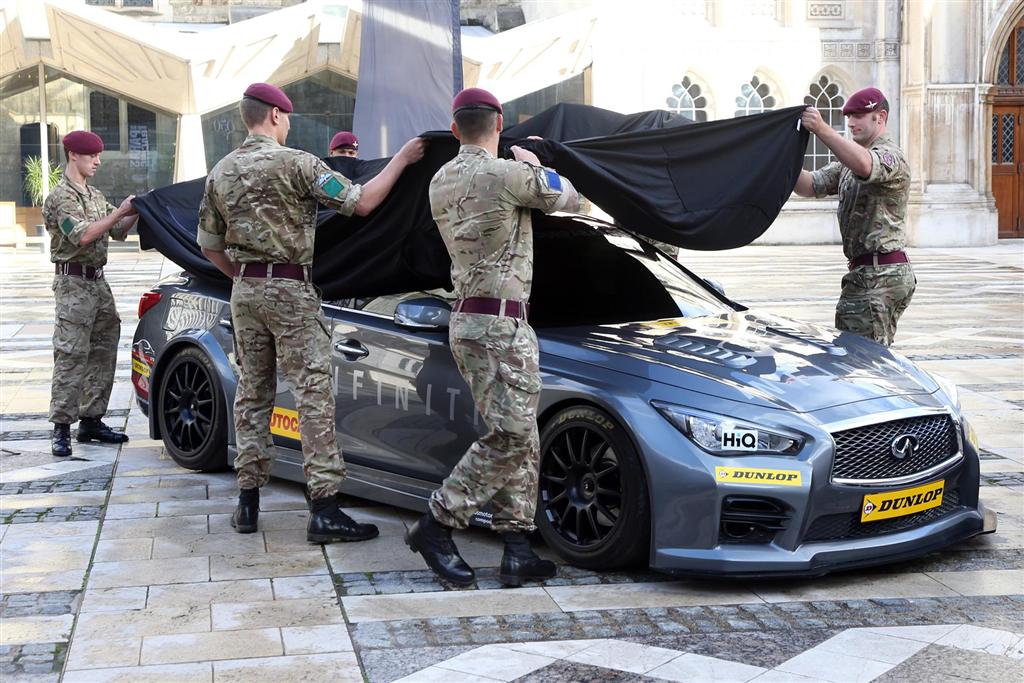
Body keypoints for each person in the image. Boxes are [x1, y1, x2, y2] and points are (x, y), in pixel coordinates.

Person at [197, 83, 426, 542]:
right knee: (312, 396)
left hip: (245, 291)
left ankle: (247, 503)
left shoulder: (221, 172)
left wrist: (244, 277)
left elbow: (208, 245)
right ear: (278, 116)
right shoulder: (298, 163)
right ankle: (323, 510)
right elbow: (362, 201)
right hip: (290, 289)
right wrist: (400, 159)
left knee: (253, 394)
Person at [406, 87, 581, 587]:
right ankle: (438, 523)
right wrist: (533, 161)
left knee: (519, 433)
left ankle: (517, 546)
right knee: (514, 434)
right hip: (501, 323)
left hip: (466, 319)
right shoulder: (510, 174)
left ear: (456, 128)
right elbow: (572, 199)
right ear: (499, 124)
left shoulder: (440, 180)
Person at [793, 86, 915, 346]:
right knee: (859, 357)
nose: (850, 122)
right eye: (848, 116)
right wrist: (781, 157)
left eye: (858, 115)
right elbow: (809, 185)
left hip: (879, 275)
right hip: (865, 274)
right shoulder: (847, 164)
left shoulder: (891, 156)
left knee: (862, 362)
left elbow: (866, 165)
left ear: (879, 117)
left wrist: (822, 129)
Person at [44, 130, 138, 457]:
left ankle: (91, 420)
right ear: (73, 155)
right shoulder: (61, 197)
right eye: (91, 156)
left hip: (98, 283)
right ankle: (61, 427)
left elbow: (117, 230)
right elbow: (82, 236)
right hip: (73, 286)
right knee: (71, 354)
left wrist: (137, 209)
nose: (97, 161)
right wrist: (119, 212)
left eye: (98, 155)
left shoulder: (94, 195)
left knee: (103, 350)